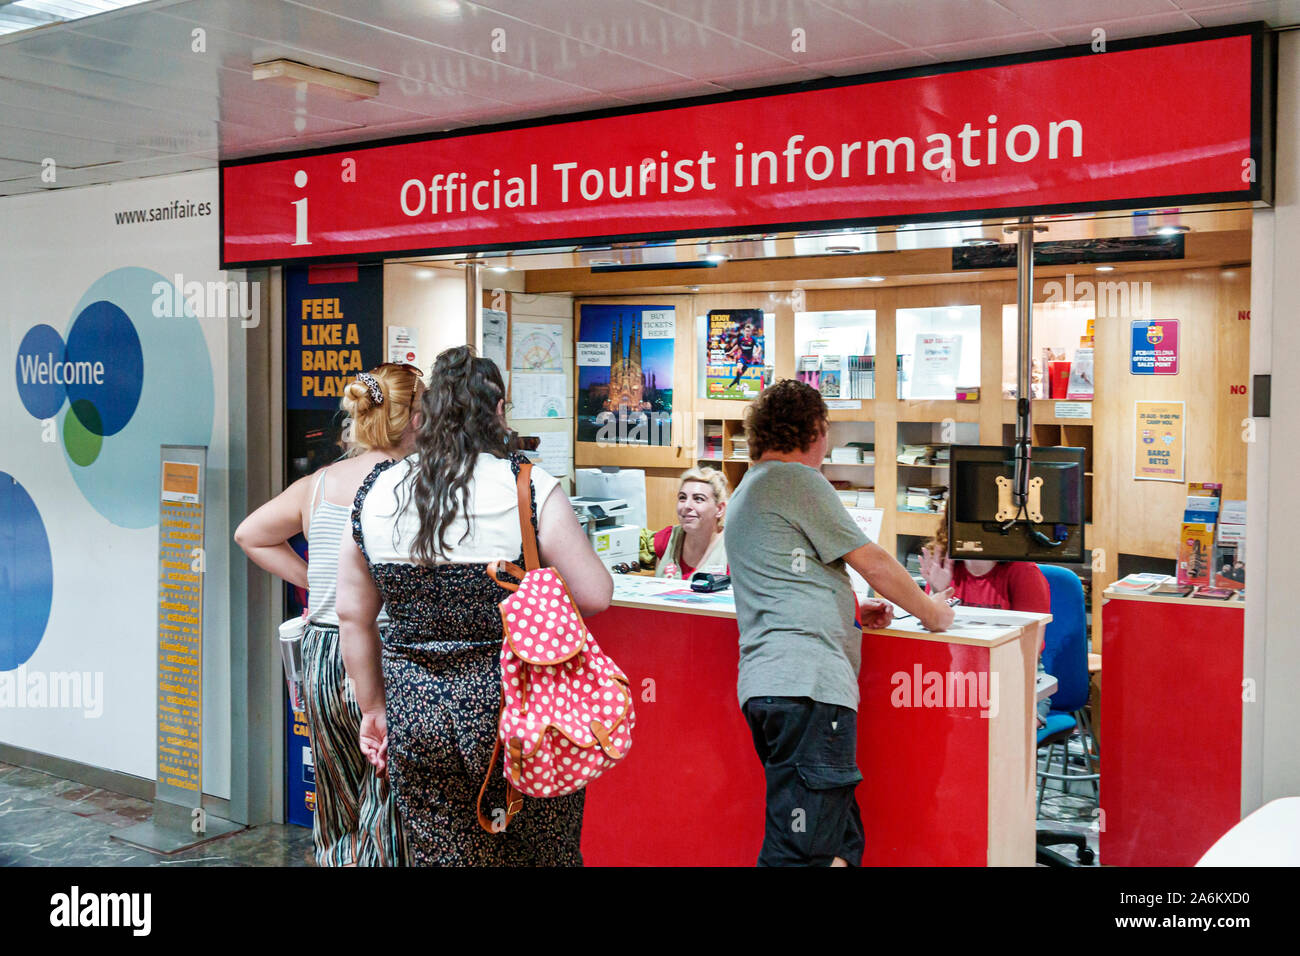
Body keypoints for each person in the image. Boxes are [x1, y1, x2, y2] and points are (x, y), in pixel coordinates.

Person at [337, 346, 613, 866]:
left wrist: (373, 709)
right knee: (539, 852)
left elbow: (353, 614)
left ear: (426, 413)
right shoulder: (527, 485)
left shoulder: (376, 488)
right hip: (518, 710)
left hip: (415, 709)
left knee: (442, 853)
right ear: (501, 410)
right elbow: (596, 593)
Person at [725, 379, 956, 867]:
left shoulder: (751, 486)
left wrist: (848, 614)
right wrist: (935, 611)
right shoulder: (795, 480)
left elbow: (789, 582)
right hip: (807, 689)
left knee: (838, 843)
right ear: (815, 429)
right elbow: (873, 561)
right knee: (802, 851)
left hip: (775, 687)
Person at [234, 362, 422, 867]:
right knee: (389, 807)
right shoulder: (413, 484)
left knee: (336, 806)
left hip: (320, 652)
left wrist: (316, 582)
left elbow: (249, 534)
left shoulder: (317, 484)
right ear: (414, 418)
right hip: (383, 651)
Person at [920, 507, 1052, 722]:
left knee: (993, 726)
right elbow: (932, 646)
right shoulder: (944, 569)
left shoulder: (1023, 572)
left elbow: (1030, 651)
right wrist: (937, 593)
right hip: (957, 674)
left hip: (1016, 679)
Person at [647, 466, 730, 579]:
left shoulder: (733, 549)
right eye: (682, 497)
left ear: (719, 509)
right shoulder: (666, 540)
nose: (686, 506)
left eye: (699, 499)